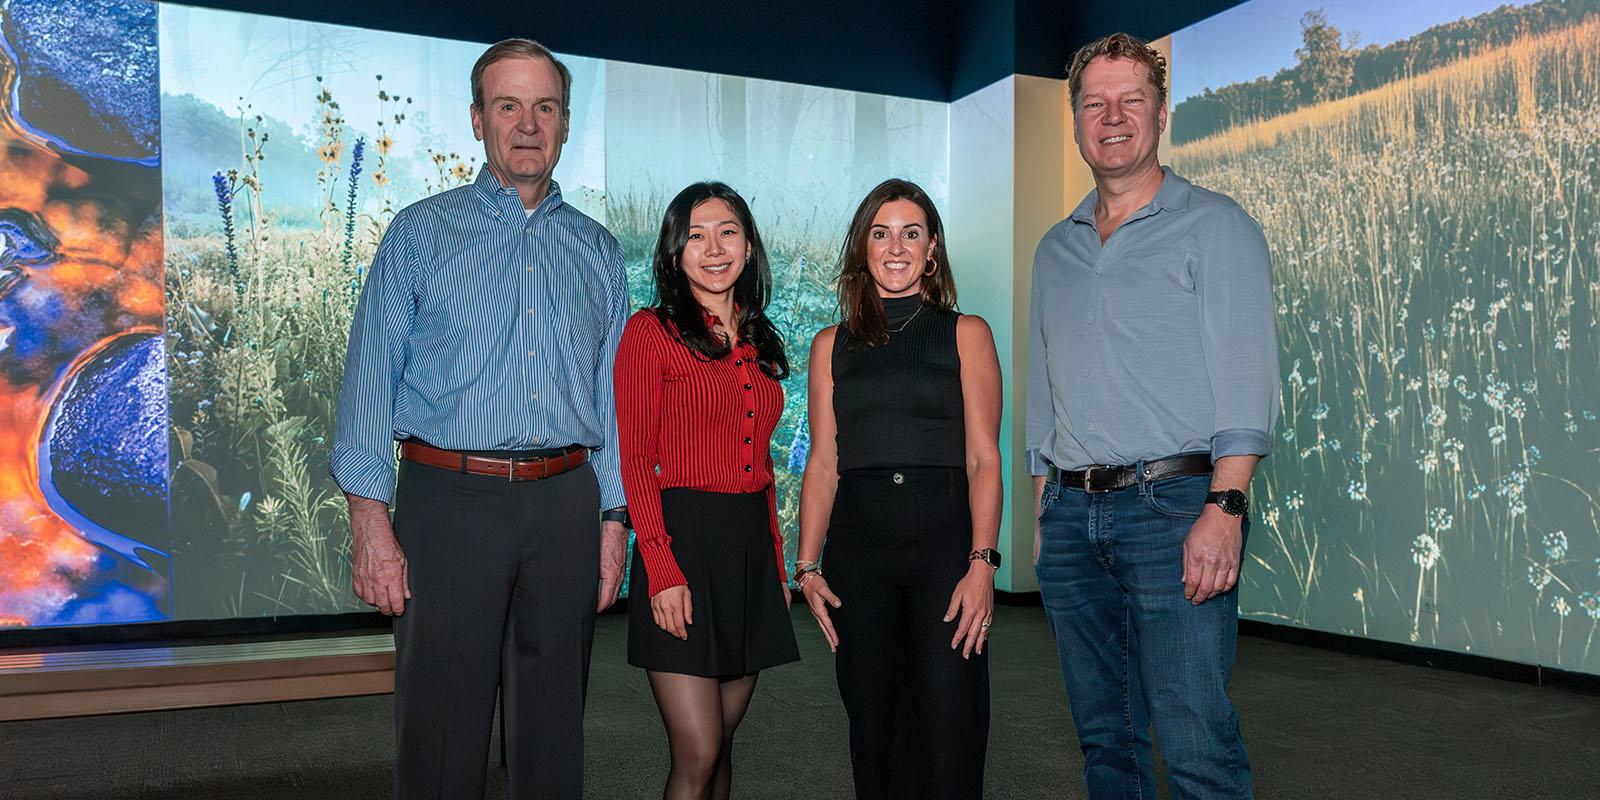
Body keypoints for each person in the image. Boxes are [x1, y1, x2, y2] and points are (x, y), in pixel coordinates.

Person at [330, 39, 630, 799]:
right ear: (477, 119)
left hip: (566, 505)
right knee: (440, 735)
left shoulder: (597, 251)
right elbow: (368, 378)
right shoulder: (420, 234)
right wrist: (370, 521)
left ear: (564, 122)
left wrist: (612, 521)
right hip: (449, 504)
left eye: (545, 107)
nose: (528, 124)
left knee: (554, 735)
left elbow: (611, 400)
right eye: (508, 106)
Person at [1026, 32, 1280, 800]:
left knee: (1195, 737)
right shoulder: (1053, 249)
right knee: (1107, 741)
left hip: (1174, 510)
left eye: (1131, 100)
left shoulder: (1216, 225)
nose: (1113, 117)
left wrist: (1226, 506)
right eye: (1095, 103)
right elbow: (1046, 383)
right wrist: (1043, 507)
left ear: (1160, 114)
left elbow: (1246, 373)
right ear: (1074, 121)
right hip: (1071, 516)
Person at [796, 178, 1003, 799]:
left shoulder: (967, 333)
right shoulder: (829, 346)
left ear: (932, 248)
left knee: (951, 727)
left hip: (946, 555)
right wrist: (807, 567)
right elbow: (824, 465)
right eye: (880, 233)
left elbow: (983, 458)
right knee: (874, 729)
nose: (895, 246)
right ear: (863, 247)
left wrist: (983, 563)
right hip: (859, 558)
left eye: (911, 233)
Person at [613, 181, 800, 800]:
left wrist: (775, 565)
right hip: (682, 547)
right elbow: (637, 462)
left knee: (720, 749)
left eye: (728, 232)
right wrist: (661, 568)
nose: (714, 248)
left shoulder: (760, 341)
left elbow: (764, 470)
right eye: (696, 235)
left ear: (748, 245)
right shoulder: (651, 333)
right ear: (674, 251)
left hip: (748, 554)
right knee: (696, 750)